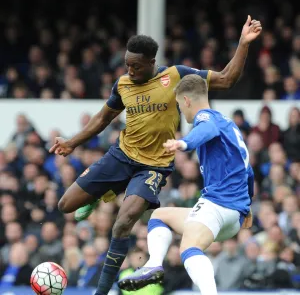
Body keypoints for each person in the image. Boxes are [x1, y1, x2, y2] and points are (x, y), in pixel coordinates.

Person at [49, 16, 262, 295]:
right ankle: (107, 191)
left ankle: (101, 291)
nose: (130, 70)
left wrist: (243, 44)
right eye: (127, 65)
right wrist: (72, 143)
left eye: (136, 66)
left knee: (124, 221)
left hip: (154, 166)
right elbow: (102, 118)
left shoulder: (176, 76)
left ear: (152, 62)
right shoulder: (123, 84)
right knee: (66, 205)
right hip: (121, 155)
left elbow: (226, 79)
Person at [118, 74, 254, 295]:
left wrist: (184, 142)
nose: (181, 110)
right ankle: (153, 266)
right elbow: (249, 170)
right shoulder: (228, 125)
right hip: (234, 215)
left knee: (189, 247)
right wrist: (248, 205)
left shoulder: (206, 118)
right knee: (159, 216)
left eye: (179, 104)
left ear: (187, 100)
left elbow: (205, 130)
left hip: (219, 205)